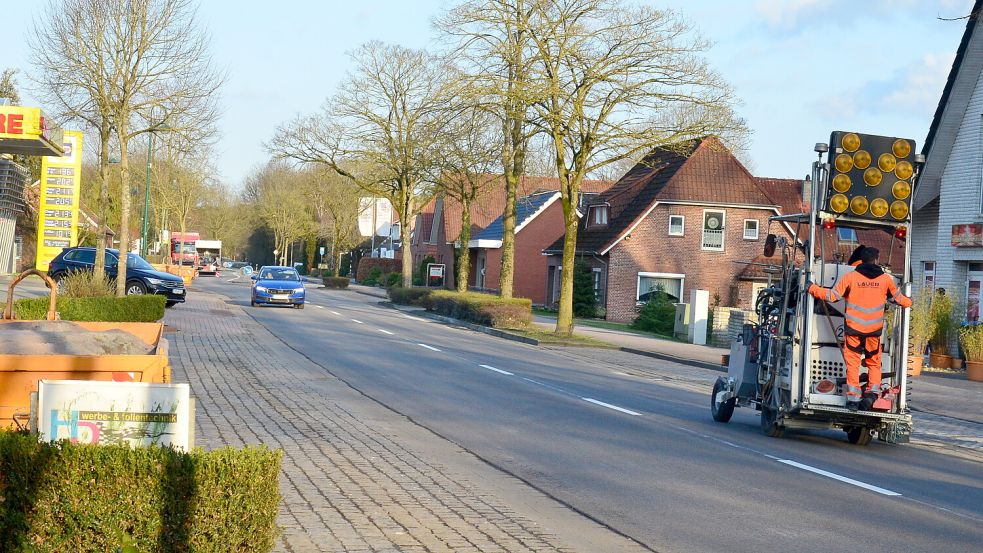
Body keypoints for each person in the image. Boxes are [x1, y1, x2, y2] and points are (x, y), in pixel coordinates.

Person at [809, 247, 913, 410]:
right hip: (873, 331)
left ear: (860, 260)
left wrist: (812, 288)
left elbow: (832, 296)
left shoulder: (850, 277)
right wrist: (909, 302)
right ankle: (872, 393)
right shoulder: (886, 280)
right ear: (876, 260)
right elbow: (900, 299)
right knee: (874, 363)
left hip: (853, 331)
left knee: (853, 364)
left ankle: (853, 399)